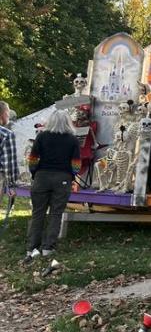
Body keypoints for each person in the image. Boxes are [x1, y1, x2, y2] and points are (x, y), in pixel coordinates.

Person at [25, 108, 80, 262]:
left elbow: (33, 159)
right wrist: (72, 176)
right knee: (56, 213)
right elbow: (76, 164)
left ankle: (32, 248)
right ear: (67, 122)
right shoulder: (72, 139)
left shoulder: (41, 136)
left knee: (38, 213)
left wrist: (34, 173)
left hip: (42, 177)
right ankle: (48, 248)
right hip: (63, 179)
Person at [0, 100, 18, 208]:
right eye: (7, 112)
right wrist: (12, 185)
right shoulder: (6, 134)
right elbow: (9, 163)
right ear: (3, 114)